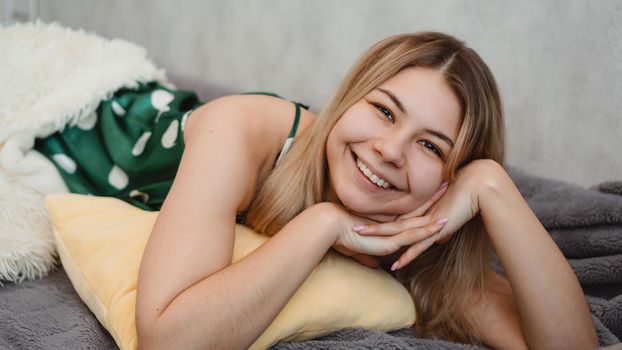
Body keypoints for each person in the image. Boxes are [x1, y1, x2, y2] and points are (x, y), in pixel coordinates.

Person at [134, 32, 598, 349]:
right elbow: (169, 340)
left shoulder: (415, 236)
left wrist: (493, 185)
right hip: (96, 129)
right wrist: (322, 223)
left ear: (448, 181)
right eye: (385, 111)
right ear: (349, 97)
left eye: (430, 146)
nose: (390, 150)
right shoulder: (240, 128)